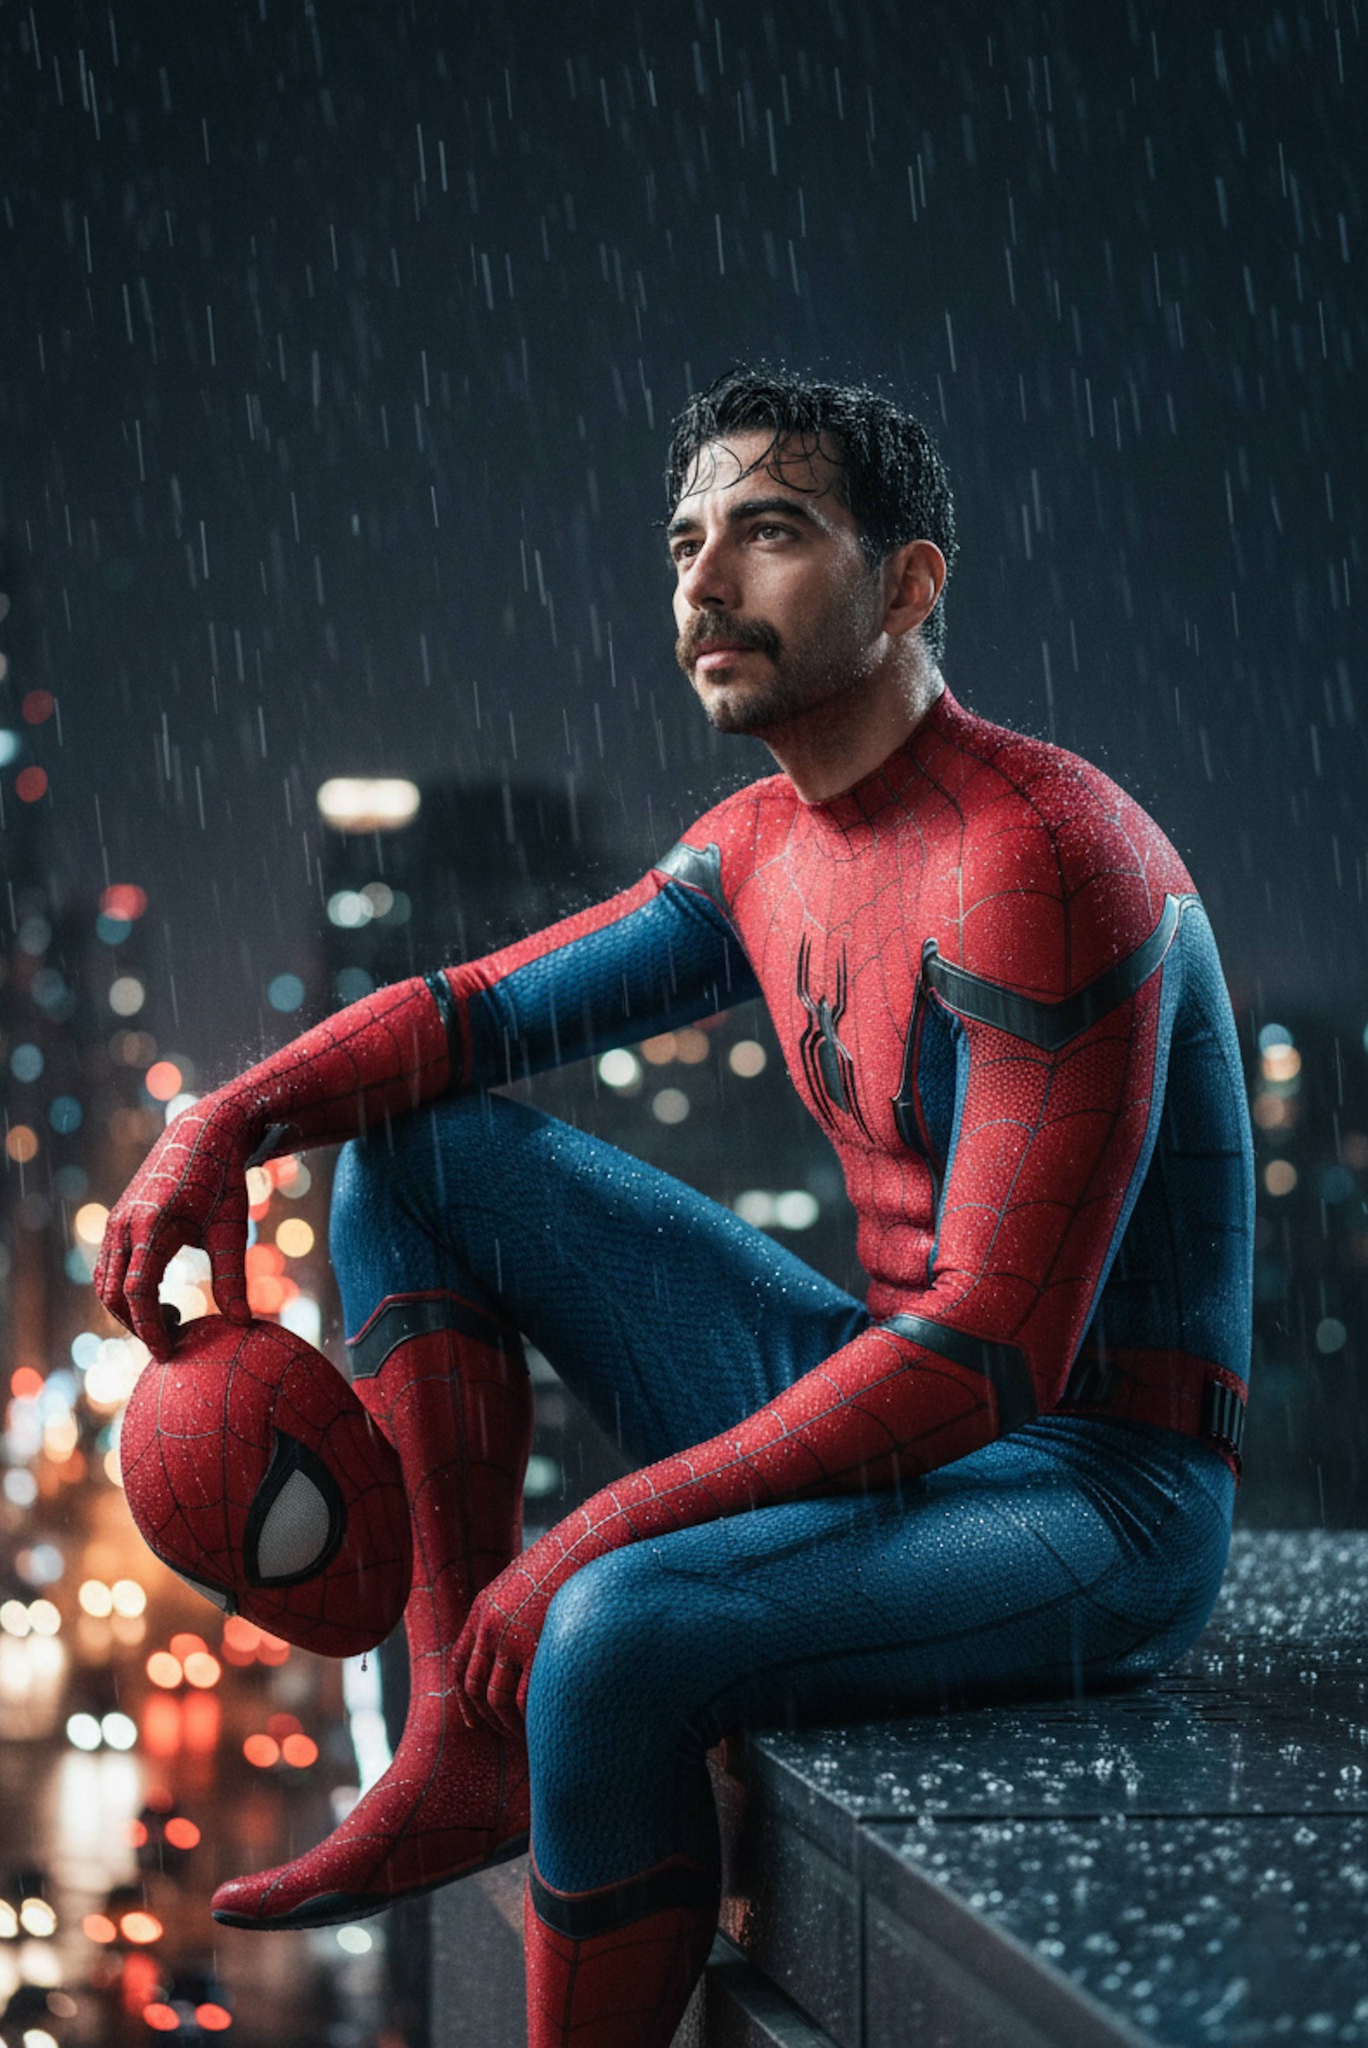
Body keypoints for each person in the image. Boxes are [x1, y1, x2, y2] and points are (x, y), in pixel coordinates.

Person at [98, 368, 1254, 2048]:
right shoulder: (762, 845)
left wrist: (589, 1539)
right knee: (417, 1151)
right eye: (686, 541)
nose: (705, 585)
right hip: (891, 1386)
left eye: (769, 533)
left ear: (911, 583)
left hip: (1096, 1485)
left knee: (619, 1632)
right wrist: (227, 1119)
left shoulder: (1039, 855)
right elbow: (471, 1017)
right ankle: (455, 1751)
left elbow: (987, 1360)